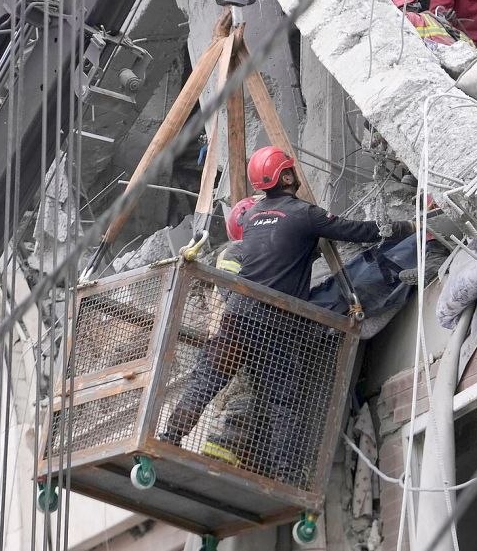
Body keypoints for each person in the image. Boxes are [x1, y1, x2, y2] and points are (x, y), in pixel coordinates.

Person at [160, 146, 415, 484]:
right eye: (291, 171)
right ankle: (288, 474)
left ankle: (169, 437)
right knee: (282, 400)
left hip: (237, 319)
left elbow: (275, 254)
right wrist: (408, 225)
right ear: (287, 175)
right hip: (276, 326)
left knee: (206, 381)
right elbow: (358, 232)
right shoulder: (303, 214)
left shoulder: (250, 218)